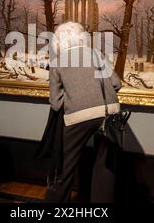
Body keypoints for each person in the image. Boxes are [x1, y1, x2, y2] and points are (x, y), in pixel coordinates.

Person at [44, 22, 122, 203]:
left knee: (65, 165)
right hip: (111, 113)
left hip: (78, 116)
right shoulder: (97, 55)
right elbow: (117, 84)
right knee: (105, 167)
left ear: (59, 42)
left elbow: (55, 104)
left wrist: (74, 96)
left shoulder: (58, 62)